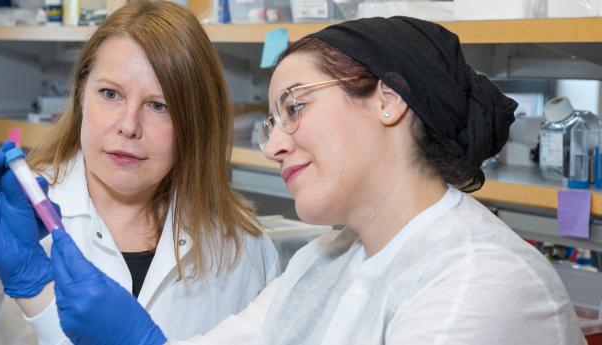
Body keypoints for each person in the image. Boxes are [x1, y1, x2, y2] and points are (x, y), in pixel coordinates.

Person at [43, 16, 586, 345]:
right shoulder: (324, 261)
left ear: (389, 100)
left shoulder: (478, 281)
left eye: (295, 107)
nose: (276, 144)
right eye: (272, 123)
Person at [0, 1, 279, 344]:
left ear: (196, 122)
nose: (128, 125)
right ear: (80, 98)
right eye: (110, 94)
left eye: (159, 105)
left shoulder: (244, 248)